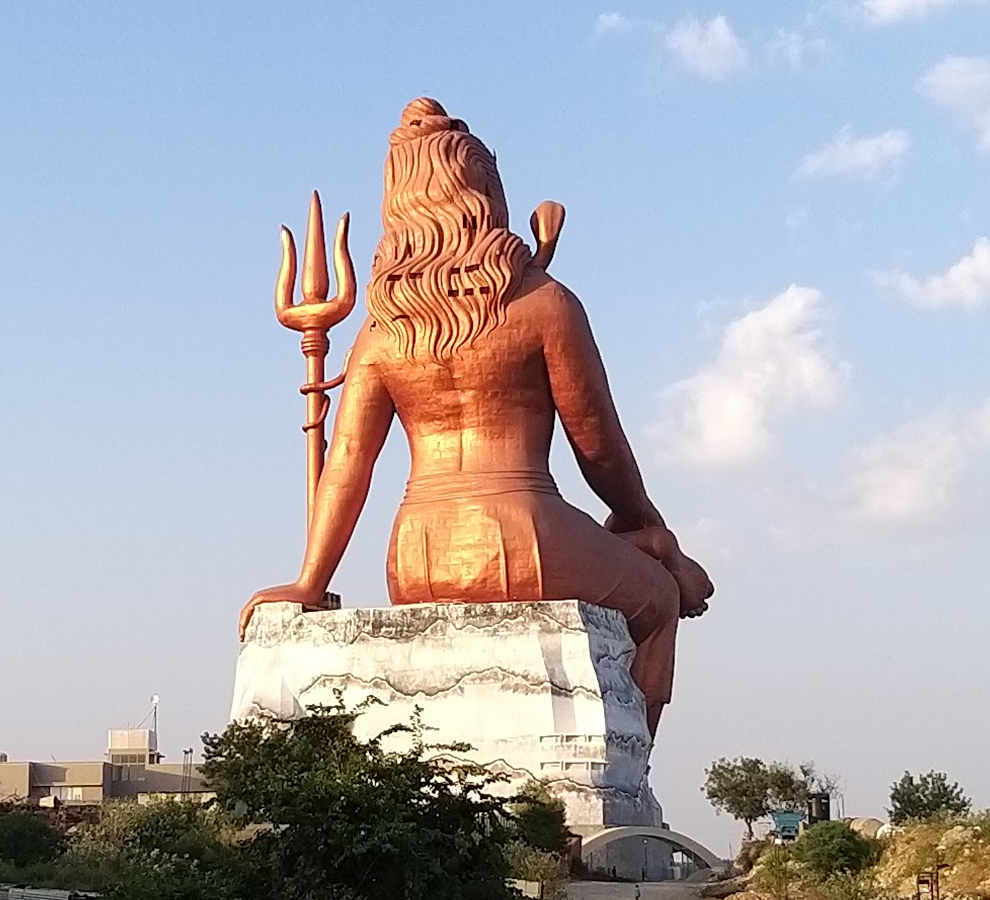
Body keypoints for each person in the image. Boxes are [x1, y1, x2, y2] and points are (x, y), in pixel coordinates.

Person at [241, 99, 714, 739]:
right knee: (658, 597)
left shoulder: (382, 331)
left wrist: (310, 580)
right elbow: (599, 449)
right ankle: (631, 772)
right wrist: (643, 519)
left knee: (652, 551)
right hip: (530, 533)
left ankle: (660, 551)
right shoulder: (547, 305)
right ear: (485, 193)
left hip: (416, 554)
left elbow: (348, 463)